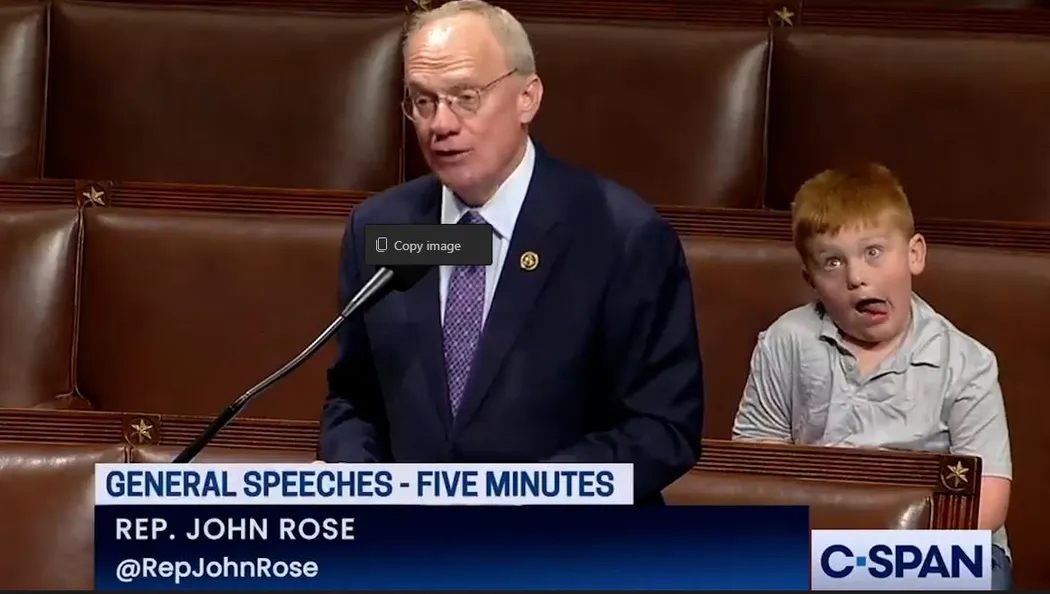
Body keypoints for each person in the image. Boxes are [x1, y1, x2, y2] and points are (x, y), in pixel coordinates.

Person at [317, 0, 704, 504]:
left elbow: (661, 428)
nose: (440, 124)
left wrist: (522, 499)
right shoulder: (383, 228)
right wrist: (361, 482)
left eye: (466, 97)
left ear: (527, 98)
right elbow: (353, 398)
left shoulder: (620, 236)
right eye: (423, 100)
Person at [731, 163, 1014, 589]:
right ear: (811, 280)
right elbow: (757, 462)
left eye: (873, 252)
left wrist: (877, 558)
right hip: (818, 537)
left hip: (941, 543)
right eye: (832, 262)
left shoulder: (967, 362)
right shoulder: (785, 341)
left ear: (914, 255)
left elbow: (987, 499)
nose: (857, 278)